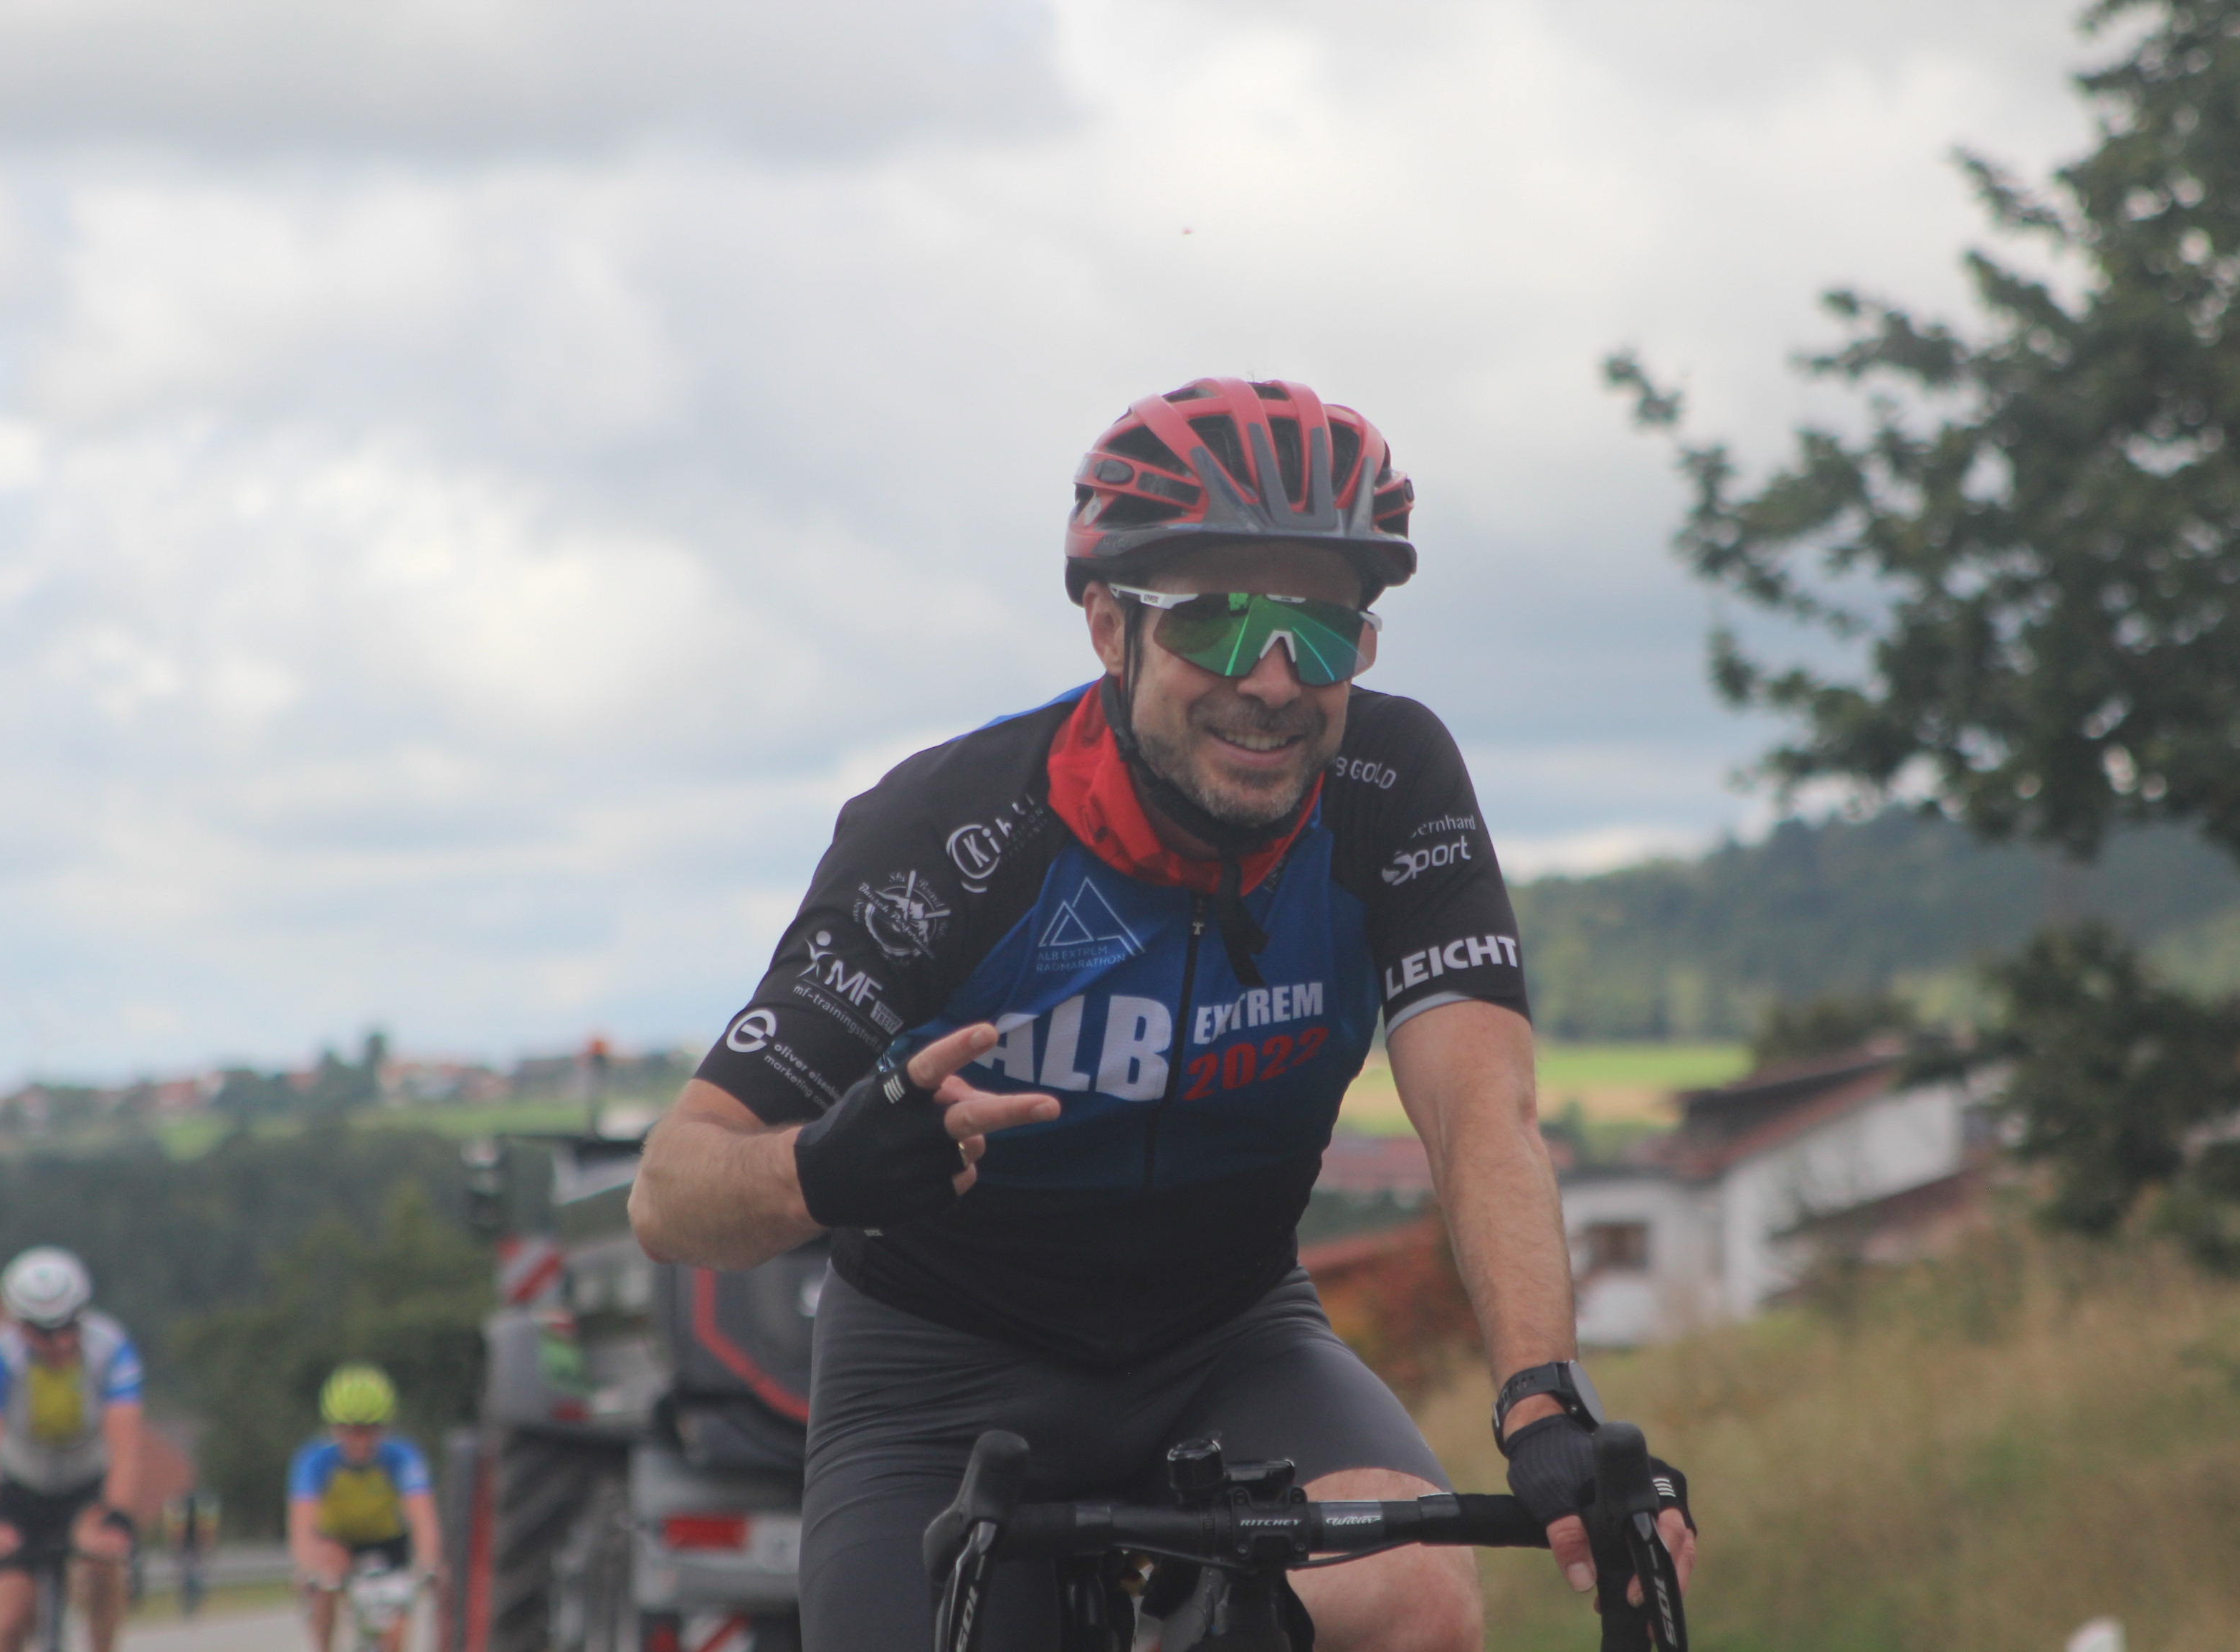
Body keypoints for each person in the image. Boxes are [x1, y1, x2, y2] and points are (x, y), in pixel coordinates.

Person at [630, 376, 1697, 1651]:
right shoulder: (949, 836)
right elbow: (671, 1192)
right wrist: (822, 1167)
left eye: (1322, 630)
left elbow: (1484, 1116)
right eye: (1217, 622)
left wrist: (1543, 1395)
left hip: (1229, 1343)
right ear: (1108, 626)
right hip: (939, 1372)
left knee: (1414, 1600)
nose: (1275, 680)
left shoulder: (1390, 786)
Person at [0, 1248, 143, 1652]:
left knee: (103, 1566)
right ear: (18, 1324)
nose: (58, 1342)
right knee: (10, 1617)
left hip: (85, 1484)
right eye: (41, 1332)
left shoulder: (111, 1348)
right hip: (18, 1487)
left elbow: (126, 1445)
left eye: (68, 1327)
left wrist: (119, 1515)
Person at [288, 1364, 442, 1652]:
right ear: (334, 1428)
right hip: (337, 1544)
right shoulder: (314, 1461)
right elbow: (303, 1523)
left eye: (369, 1431)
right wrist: (307, 1569)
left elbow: (423, 1516)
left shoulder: (402, 1457)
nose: (359, 1441)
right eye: (349, 1431)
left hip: (387, 1545)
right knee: (325, 1581)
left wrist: (429, 1562)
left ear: (384, 1428)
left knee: (394, 1634)